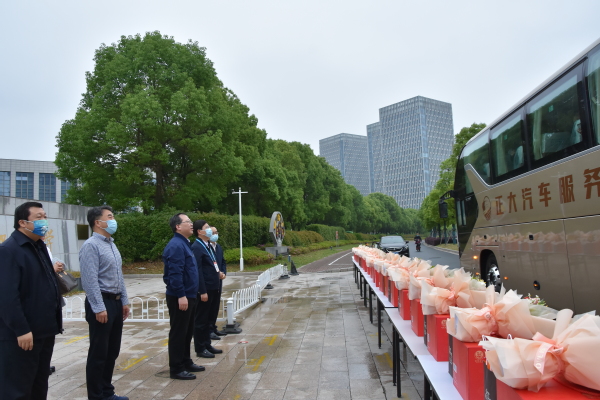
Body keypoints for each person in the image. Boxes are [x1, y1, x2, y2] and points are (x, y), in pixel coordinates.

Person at [0, 201, 63, 400]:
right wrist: (21, 329)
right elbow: (7, 296)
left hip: (44, 331)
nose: (44, 221)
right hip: (23, 335)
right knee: (18, 388)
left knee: (39, 384)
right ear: (22, 222)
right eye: (38, 217)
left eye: (45, 216)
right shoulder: (9, 250)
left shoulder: (38, 246)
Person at [80, 206, 131, 400]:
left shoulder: (111, 244)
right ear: (97, 222)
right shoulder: (91, 245)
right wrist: (99, 307)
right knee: (99, 353)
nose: (113, 220)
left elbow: (119, 276)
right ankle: (96, 395)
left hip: (115, 302)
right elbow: (89, 280)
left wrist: (124, 301)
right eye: (109, 217)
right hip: (101, 303)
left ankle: (107, 391)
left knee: (112, 351)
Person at [163, 213, 204, 380]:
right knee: (179, 332)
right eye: (187, 222)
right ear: (178, 226)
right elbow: (174, 273)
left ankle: (186, 361)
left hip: (190, 295)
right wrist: (181, 295)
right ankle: (176, 368)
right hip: (180, 296)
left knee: (187, 332)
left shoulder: (185, 243)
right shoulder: (176, 245)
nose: (191, 224)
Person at [191, 220, 223, 358]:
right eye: (207, 227)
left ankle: (207, 344)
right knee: (201, 320)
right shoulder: (197, 247)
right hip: (205, 289)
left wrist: (218, 274)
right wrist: (202, 291)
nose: (210, 230)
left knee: (208, 318)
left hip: (213, 286)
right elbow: (197, 271)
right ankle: (200, 347)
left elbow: (212, 264)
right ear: (199, 231)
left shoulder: (207, 245)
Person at [208, 226, 227, 339]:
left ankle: (213, 327)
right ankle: (209, 330)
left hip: (219, 280)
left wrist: (223, 273)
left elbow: (222, 261)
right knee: (209, 307)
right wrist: (217, 274)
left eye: (216, 232)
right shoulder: (206, 247)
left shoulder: (218, 247)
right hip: (211, 281)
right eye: (213, 233)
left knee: (215, 305)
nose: (215, 235)